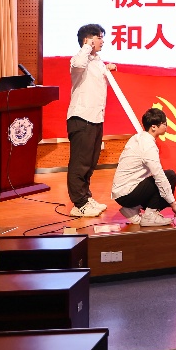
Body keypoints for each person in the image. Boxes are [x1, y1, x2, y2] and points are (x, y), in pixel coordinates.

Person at [67, 23, 116, 218]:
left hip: (96, 118)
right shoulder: (79, 59)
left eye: (102, 37)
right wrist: (87, 45)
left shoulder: (97, 61)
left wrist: (107, 69)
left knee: (90, 162)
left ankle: (86, 198)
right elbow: (79, 64)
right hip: (81, 118)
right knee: (80, 163)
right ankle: (78, 204)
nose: (102, 41)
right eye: (99, 37)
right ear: (88, 39)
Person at [111, 107, 176, 227]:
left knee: (158, 180)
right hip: (127, 194)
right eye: (164, 124)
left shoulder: (137, 138)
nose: (166, 126)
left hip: (122, 193)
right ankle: (150, 216)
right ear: (154, 127)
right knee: (169, 176)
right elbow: (159, 176)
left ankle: (132, 209)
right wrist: (174, 206)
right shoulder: (148, 145)